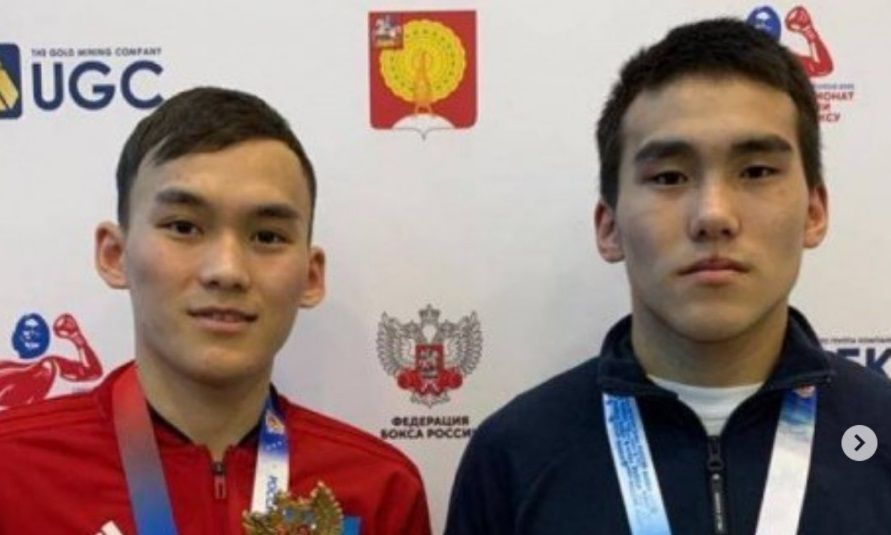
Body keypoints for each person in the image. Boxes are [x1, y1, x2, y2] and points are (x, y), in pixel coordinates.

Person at [445, 18, 891, 535]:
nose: (713, 215)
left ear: (814, 212)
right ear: (609, 227)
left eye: (756, 172)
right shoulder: (514, 456)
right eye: (669, 177)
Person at [0, 87, 431, 535]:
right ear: (115, 255)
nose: (226, 271)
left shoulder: (379, 489)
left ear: (311, 276)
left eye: (267, 236)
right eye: (183, 227)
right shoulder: (11, 472)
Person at [0, 313, 103, 409]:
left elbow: (92, 371)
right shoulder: (6, 367)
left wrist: (76, 336)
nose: (31, 334)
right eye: (27, 330)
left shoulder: (49, 365)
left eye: (36, 330)